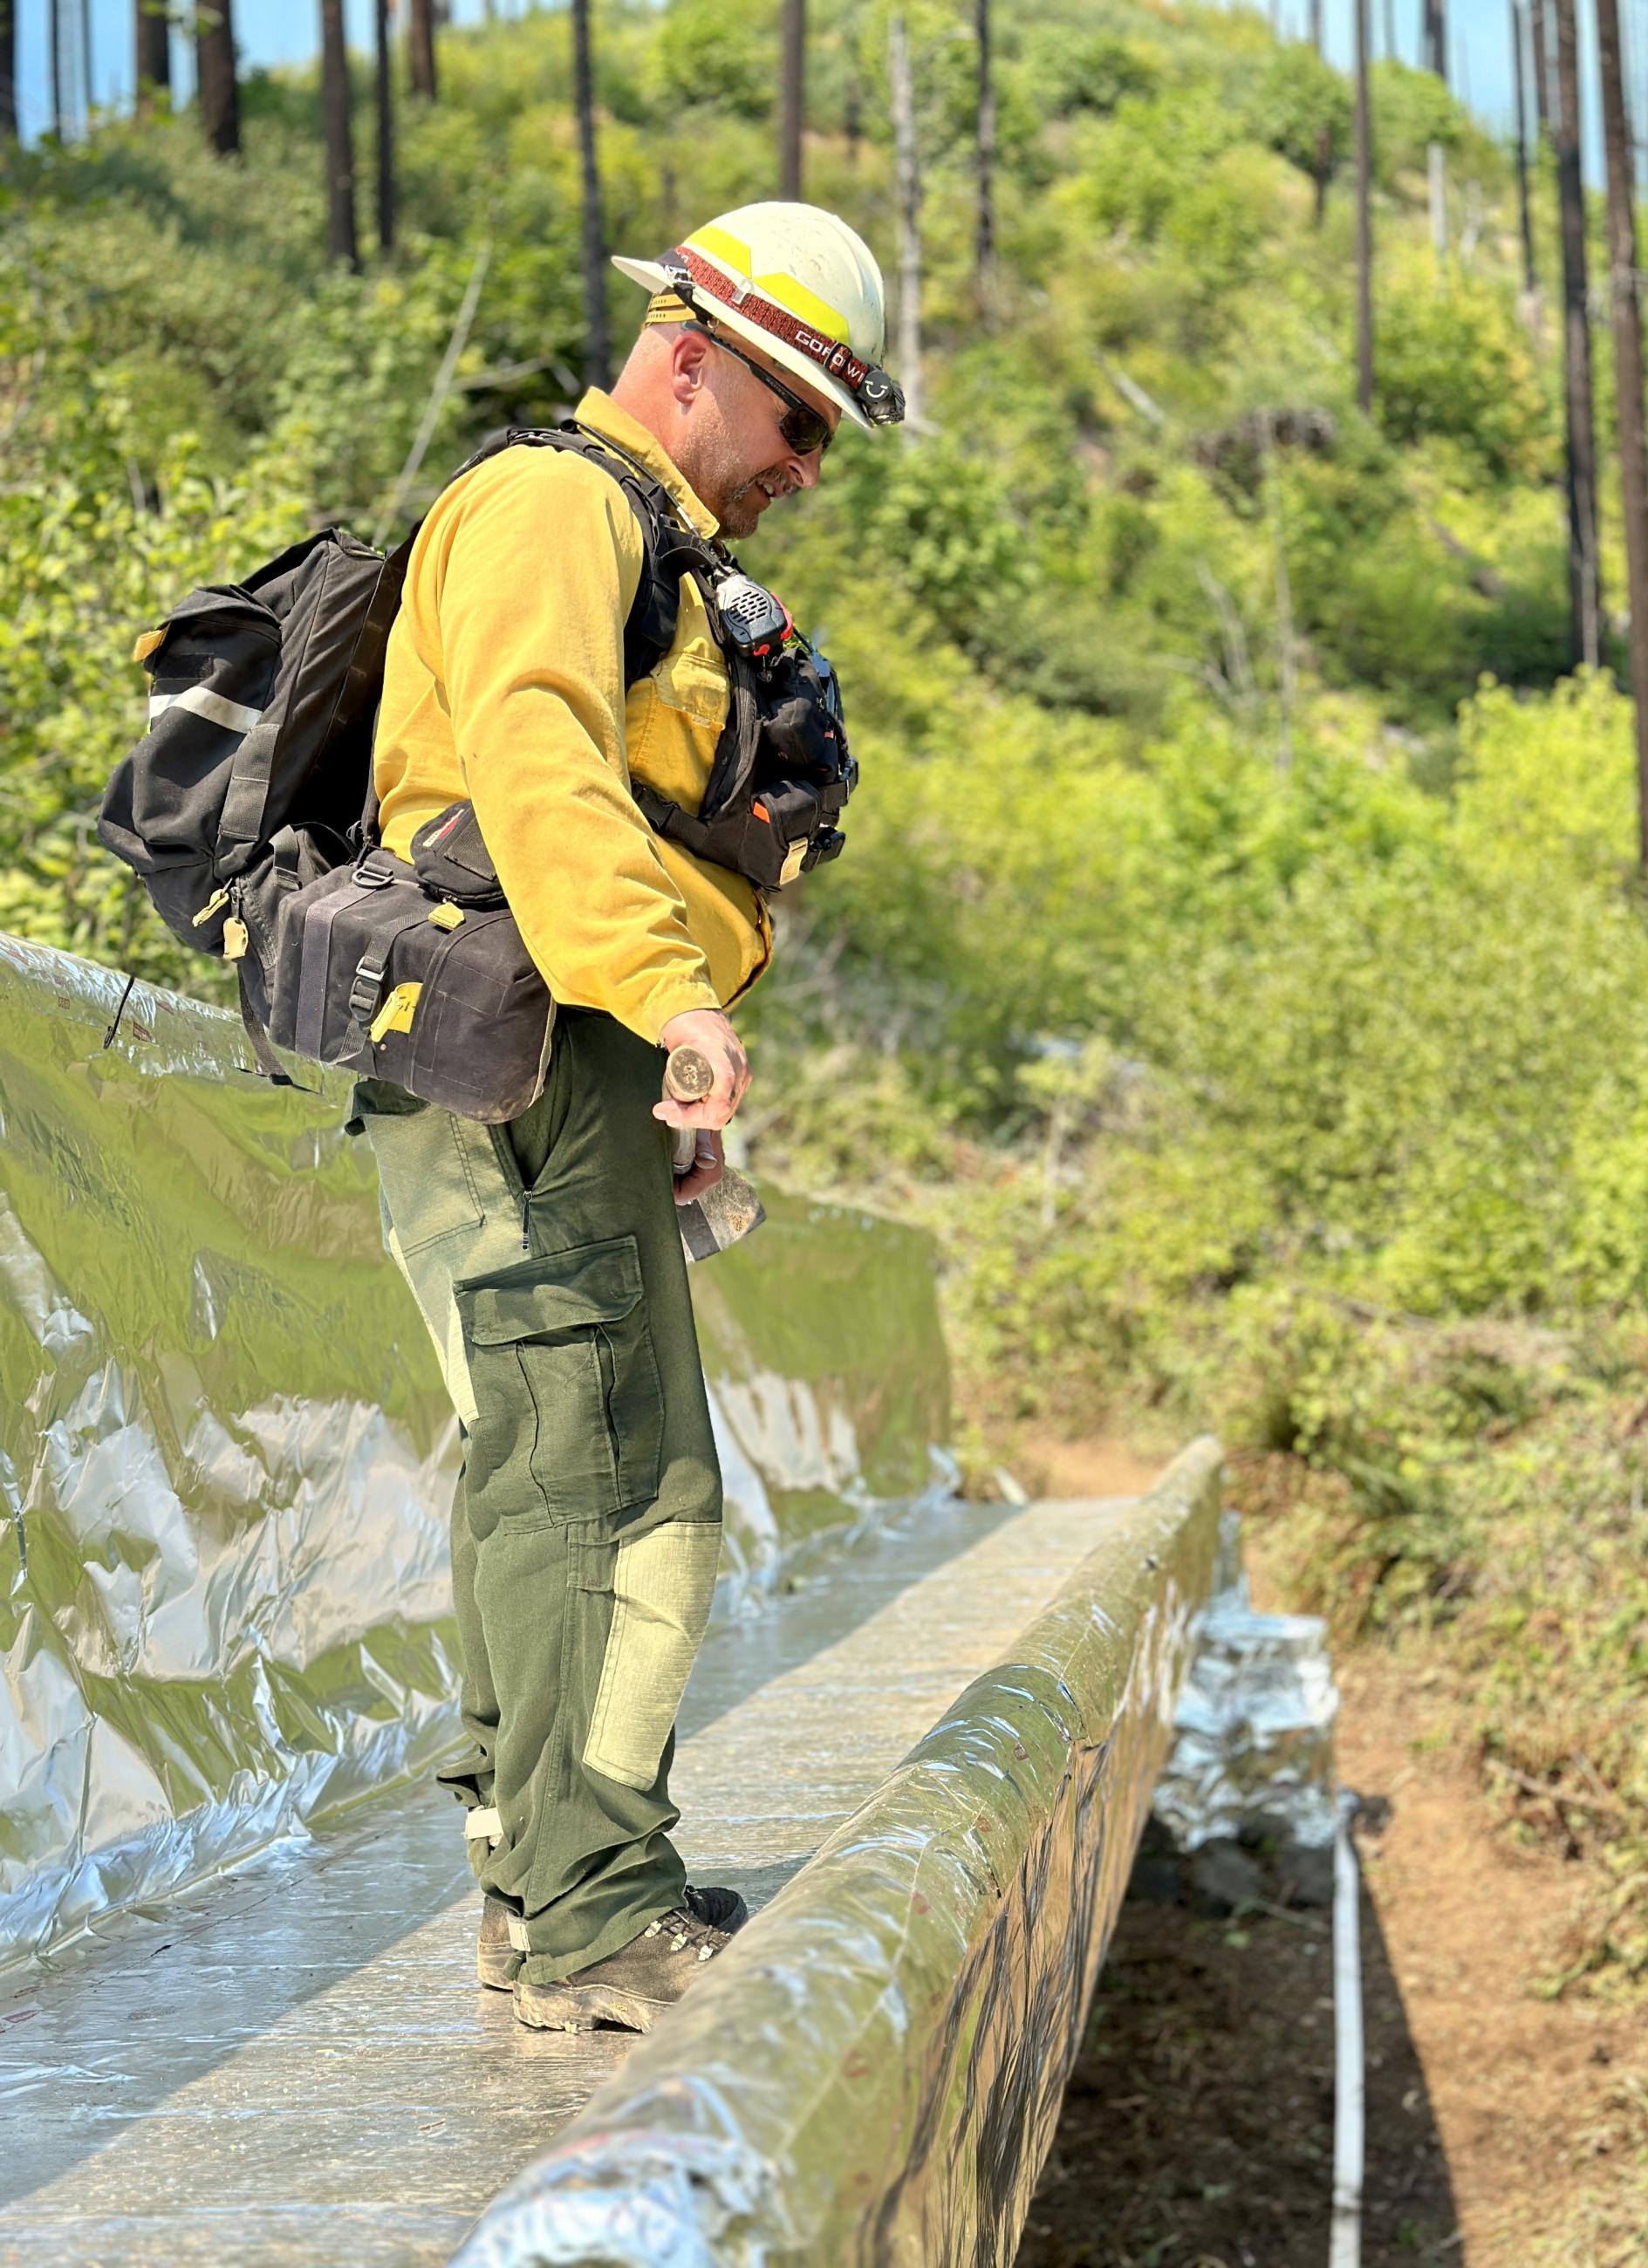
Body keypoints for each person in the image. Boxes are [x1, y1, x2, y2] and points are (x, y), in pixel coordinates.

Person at [349, 202, 903, 2035]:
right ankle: (590, 1916)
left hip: (569, 1044)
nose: (805, 470)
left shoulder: (645, 534)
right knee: (587, 1470)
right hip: (519, 1030)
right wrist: (661, 992)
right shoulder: (555, 507)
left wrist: (670, 1056)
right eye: (798, 422)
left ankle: (554, 1881)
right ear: (691, 362)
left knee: (611, 1467)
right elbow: (535, 761)